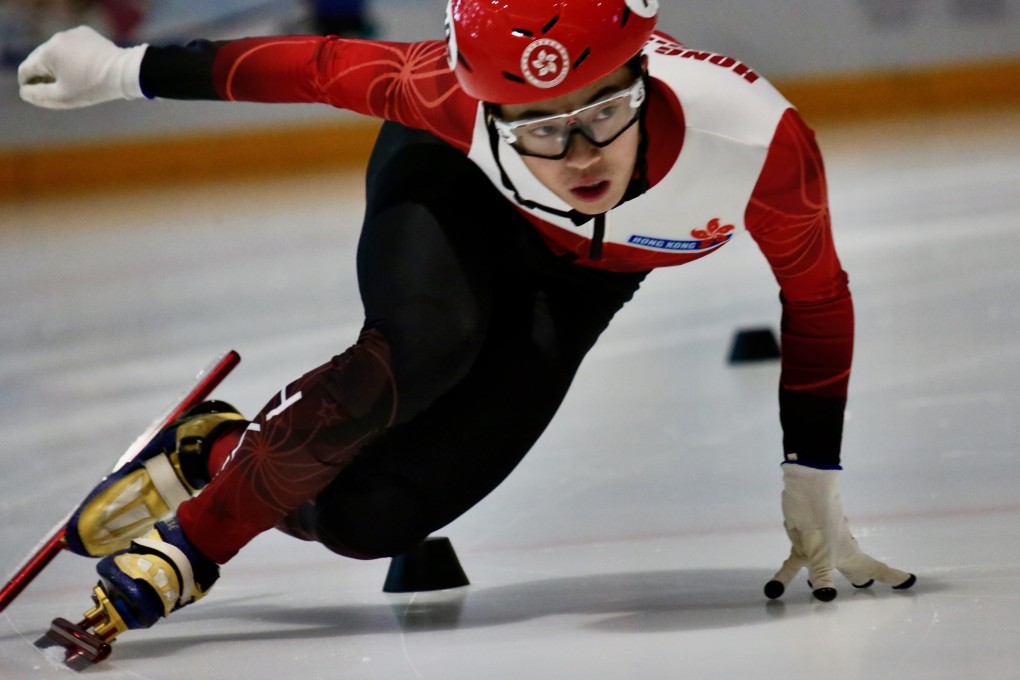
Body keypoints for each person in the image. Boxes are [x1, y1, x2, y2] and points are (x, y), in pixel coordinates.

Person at [18, 0, 915, 641]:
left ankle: (211, 449)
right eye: (537, 130)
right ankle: (193, 540)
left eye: (604, 111)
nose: (578, 157)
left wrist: (814, 478)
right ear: (486, 110)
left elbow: (818, 299)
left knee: (371, 522)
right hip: (454, 197)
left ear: (646, 74)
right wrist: (121, 72)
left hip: (578, 286)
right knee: (425, 344)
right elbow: (315, 68)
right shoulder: (443, 97)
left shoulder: (755, 145)